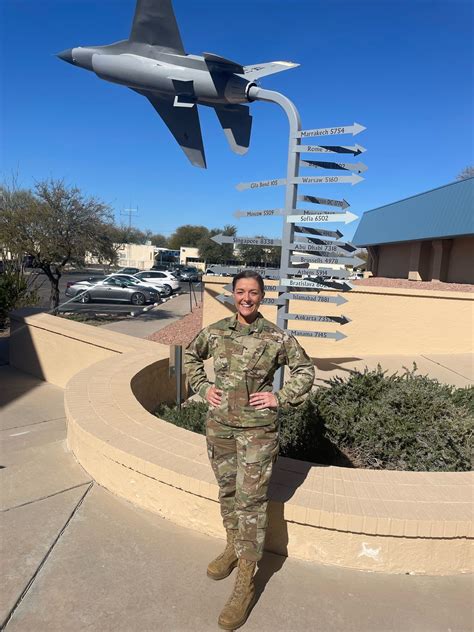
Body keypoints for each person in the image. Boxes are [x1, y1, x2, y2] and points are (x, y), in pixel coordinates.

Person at [184, 270, 314, 630]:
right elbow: (190, 357)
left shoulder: (276, 337)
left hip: (257, 432)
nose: (246, 298)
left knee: (252, 502)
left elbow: (305, 371)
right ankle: (231, 546)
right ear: (232, 294)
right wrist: (201, 386)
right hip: (220, 429)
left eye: (253, 292)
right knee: (227, 492)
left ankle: (246, 579)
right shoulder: (215, 331)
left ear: (262, 297)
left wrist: (279, 396)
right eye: (240, 291)